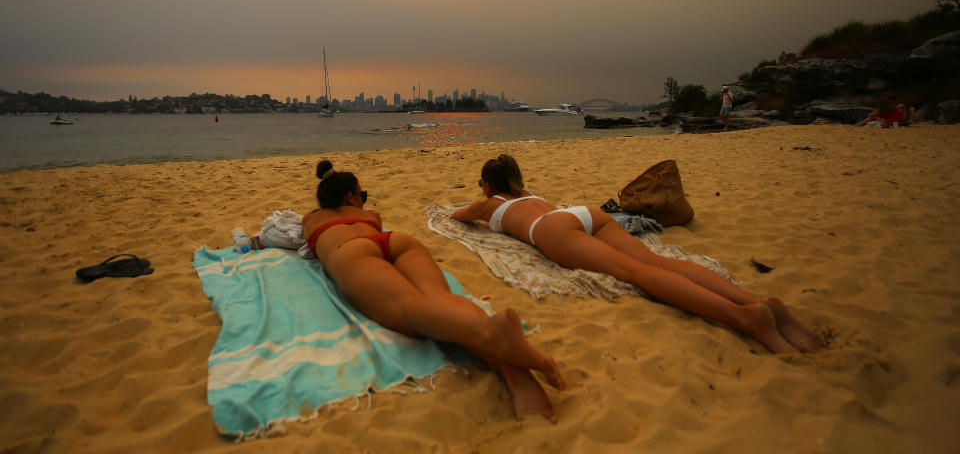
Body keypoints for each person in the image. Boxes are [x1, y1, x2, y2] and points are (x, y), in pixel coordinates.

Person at [452, 155, 825, 354]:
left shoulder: (488, 204)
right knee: (657, 261)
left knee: (635, 273)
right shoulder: (530, 194)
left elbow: (457, 216)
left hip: (551, 232)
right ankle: (758, 302)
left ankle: (745, 318)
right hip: (582, 214)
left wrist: (479, 201)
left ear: (487, 185)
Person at [302, 160, 565, 421]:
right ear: (350, 197)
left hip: (351, 251)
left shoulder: (312, 218)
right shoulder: (371, 217)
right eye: (363, 195)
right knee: (441, 301)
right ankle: (516, 376)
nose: (365, 201)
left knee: (408, 309)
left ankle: (491, 331)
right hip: (396, 241)